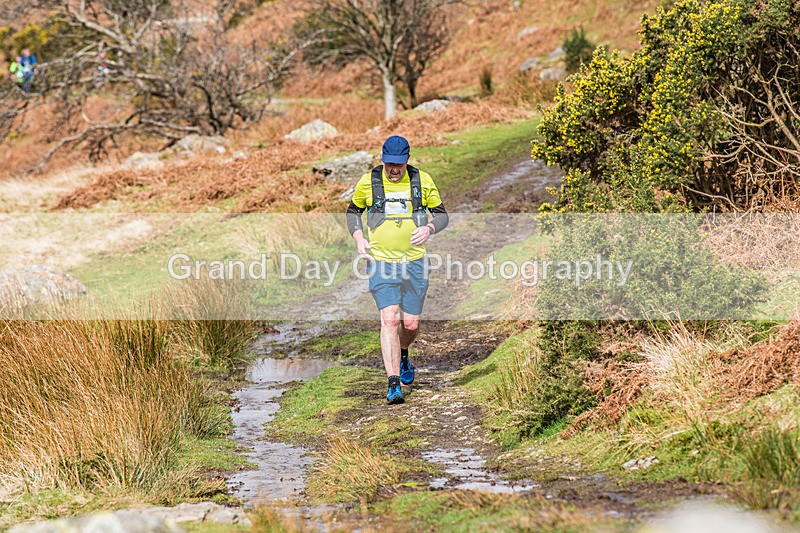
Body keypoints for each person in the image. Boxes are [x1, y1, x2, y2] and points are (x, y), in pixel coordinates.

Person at [346, 135, 449, 404]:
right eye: (389, 164)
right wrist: (358, 237)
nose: (393, 170)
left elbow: (442, 215)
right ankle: (393, 384)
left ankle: (404, 352)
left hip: (415, 261)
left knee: (410, 324)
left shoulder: (422, 181)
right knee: (389, 319)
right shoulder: (369, 182)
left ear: (407, 161)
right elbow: (352, 211)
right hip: (381, 261)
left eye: (399, 165)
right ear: (382, 159)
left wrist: (429, 228)